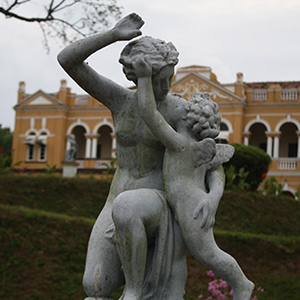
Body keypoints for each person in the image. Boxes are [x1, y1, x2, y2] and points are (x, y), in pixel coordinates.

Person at [58, 13, 187, 300]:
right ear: (138, 77)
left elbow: (202, 156)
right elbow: (67, 60)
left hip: (158, 199)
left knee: (128, 206)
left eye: (170, 79)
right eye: (159, 81)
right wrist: (113, 34)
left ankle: (134, 291)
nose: (166, 88)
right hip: (116, 198)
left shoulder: (177, 110)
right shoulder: (120, 102)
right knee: (95, 287)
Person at [134, 56, 255, 300]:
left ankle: (241, 284)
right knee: (193, 255)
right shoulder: (196, 147)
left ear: (188, 119)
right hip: (190, 201)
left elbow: (148, 112)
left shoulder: (180, 144)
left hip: (190, 205)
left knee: (208, 253)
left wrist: (144, 78)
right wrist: (212, 197)